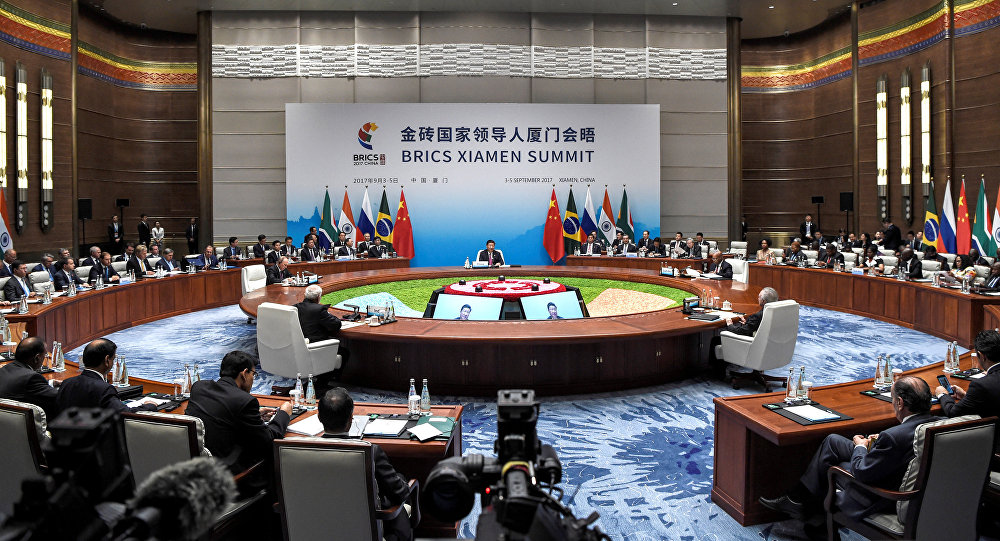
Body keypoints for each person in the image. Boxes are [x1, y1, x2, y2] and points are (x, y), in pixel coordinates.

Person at [759, 376, 937, 526]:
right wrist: (879, 442)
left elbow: (862, 472)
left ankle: (812, 515)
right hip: (906, 477)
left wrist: (861, 446)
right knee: (833, 442)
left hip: (882, 494)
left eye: (892, 399)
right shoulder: (938, 425)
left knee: (834, 467)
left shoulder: (893, 437)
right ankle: (799, 501)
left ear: (899, 403)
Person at [317, 388, 413, 541]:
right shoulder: (371, 452)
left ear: (319, 417)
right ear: (350, 420)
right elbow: (400, 493)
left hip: (316, 528)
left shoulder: (294, 451)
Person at [185, 350, 292, 478]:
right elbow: (268, 441)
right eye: (253, 374)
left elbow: (219, 414)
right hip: (230, 474)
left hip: (196, 466)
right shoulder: (245, 401)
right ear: (244, 374)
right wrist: (284, 414)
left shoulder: (198, 387)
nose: (253, 379)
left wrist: (253, 416)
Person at [55, 339, 158, 413]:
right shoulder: (104, 389)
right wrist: (150, 406)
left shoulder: (67, 383)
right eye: (113, 359)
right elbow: (125, 414)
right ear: (107, 360)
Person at [935, 330, 1000, 419]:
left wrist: (943, 395)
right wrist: (967, 396)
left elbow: (953, 412)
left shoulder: (980, 385)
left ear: (982, 356)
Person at [293, 285, 350, 371]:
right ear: (318, 297)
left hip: (299, 347)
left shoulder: (295, 307)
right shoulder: (319, 310)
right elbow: (336, 324)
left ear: (305, 295)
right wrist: (328, 314)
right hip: (316, 347)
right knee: (344, 352)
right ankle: (326, 379)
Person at [0, 337, 58, 418]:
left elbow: (20, 384)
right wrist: (69, 385)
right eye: (44, 355)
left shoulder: (5, 369)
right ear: (37, 358)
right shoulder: (32, 378)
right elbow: (58, 397)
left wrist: (51, 383)